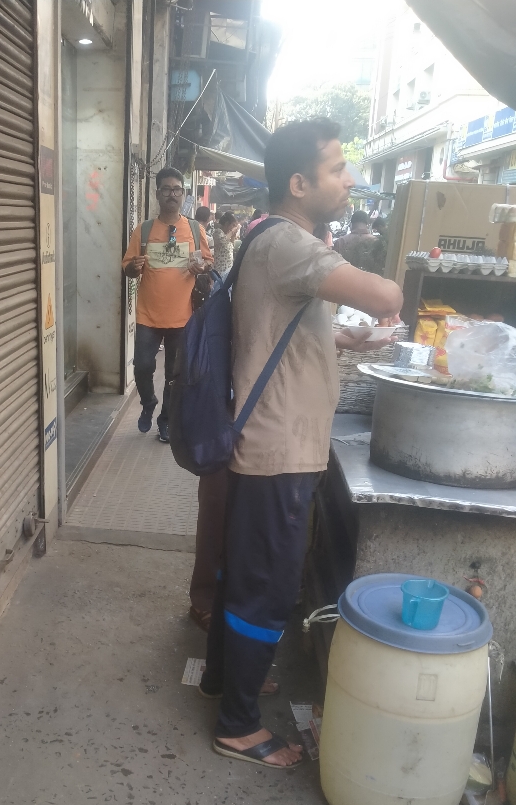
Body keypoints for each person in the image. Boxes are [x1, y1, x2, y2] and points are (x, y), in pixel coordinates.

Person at [199, 118, 402, 770]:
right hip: (278, 450)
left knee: (245, 573)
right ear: (298, 184)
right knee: (267, 585)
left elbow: (278, 324)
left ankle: (224, 680)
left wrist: (344, 338)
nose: (349, 181)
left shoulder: (269, 237)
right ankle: (238, 727)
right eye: (337, 169)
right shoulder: (290, 242)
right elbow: (387, 294)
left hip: (268, 443)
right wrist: (380, 300)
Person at [122, 168, 214, 443]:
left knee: (175, 375)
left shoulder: (195, 230)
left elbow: (208, 262)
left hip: (183, 317)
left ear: (183, 194)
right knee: (142, 367)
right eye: (166, 189)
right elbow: (127, 268)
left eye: (176, 189)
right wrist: (134, 267)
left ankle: (166, 421)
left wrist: (202, 268)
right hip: (147, 316)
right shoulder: (144, 230)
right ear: (157, 193)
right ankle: (148, 402)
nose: (171, 194)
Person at [212, 211, 239, 278]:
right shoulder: (218, 232)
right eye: (233, 225)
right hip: (220, 269)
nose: (234, 228)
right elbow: (223, 241)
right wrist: (232, 232)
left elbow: (230, 244)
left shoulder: (227, 234)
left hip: (227, 269)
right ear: (227, 224)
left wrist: (233, 235)